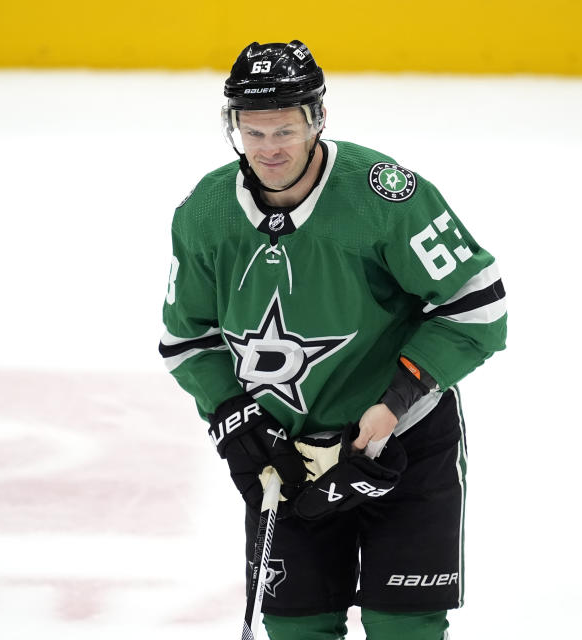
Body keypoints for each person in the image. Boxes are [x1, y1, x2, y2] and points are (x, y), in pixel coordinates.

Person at [160, 40, 507, 640]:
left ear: (317, 119)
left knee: (406, 629)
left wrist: (396, 399)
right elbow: (186, 340)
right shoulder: (205, 214)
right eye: (254, 131)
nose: (269, 149)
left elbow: (477, 303)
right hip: (287, 457)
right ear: (233, 126)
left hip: (405, 445)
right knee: (298, 629)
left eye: (286, 130)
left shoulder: (382, 195)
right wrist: (234, 417)